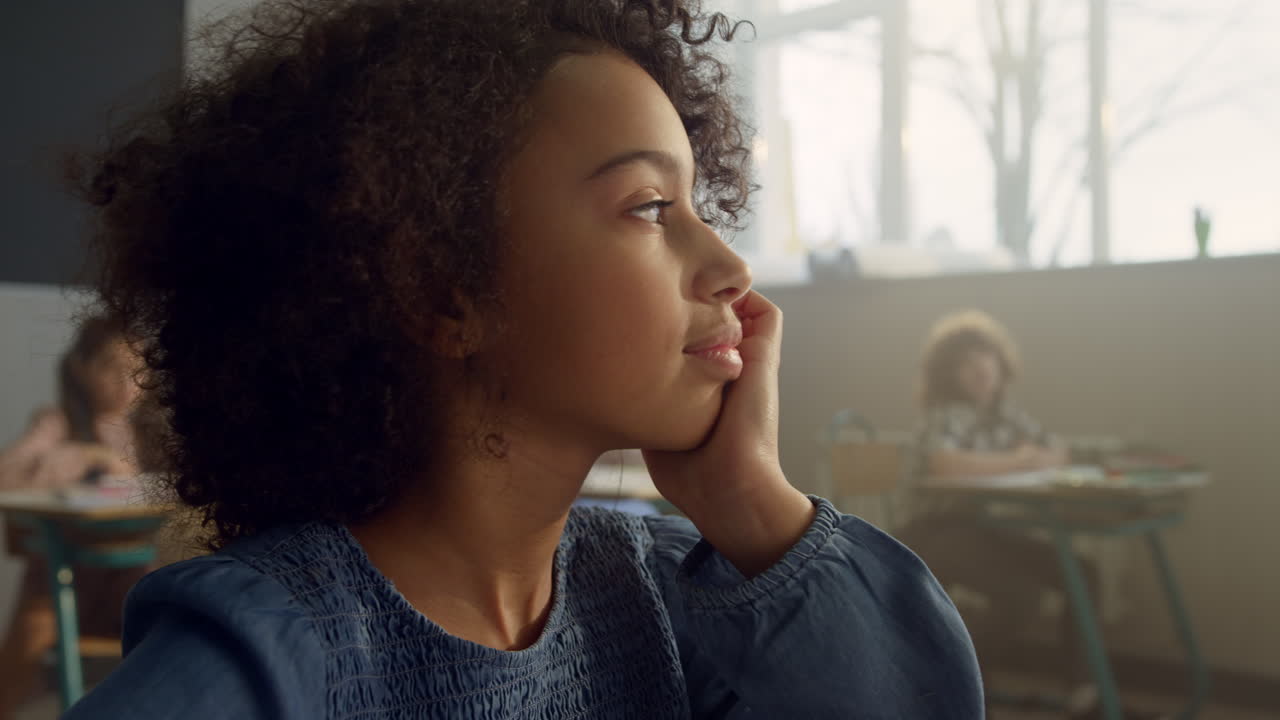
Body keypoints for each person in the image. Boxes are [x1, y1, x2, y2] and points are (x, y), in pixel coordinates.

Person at [62, 1, 982, 717]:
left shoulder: (666, 593)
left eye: (704, 207)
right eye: (651, 209)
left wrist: (750, 501)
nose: (732, 268)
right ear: (443, 291)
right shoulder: (271, 645)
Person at [894, 310, 1105, 716]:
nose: (979, 370)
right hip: (929, 533)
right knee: (1020, 594)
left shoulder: (1004, 412)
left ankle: (1083, 691)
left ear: (1000, 362)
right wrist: (1019, 459)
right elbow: (947, 465)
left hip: (980, 529)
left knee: (1082, 571)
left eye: (985, 357)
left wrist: (1020, 457)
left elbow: (1057, 452)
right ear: (947, 373)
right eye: (965, 363)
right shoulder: (945, 412)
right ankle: (952, 677)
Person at [0, 315, 145, 719]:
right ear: (82, 369)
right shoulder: (59, 422)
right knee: (34, 629)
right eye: (110, 369)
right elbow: (5, 475)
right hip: (64, 575)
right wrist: (91, 456)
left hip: (129, 576)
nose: (125, 383)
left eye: (136, 372)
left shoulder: (146, 433)